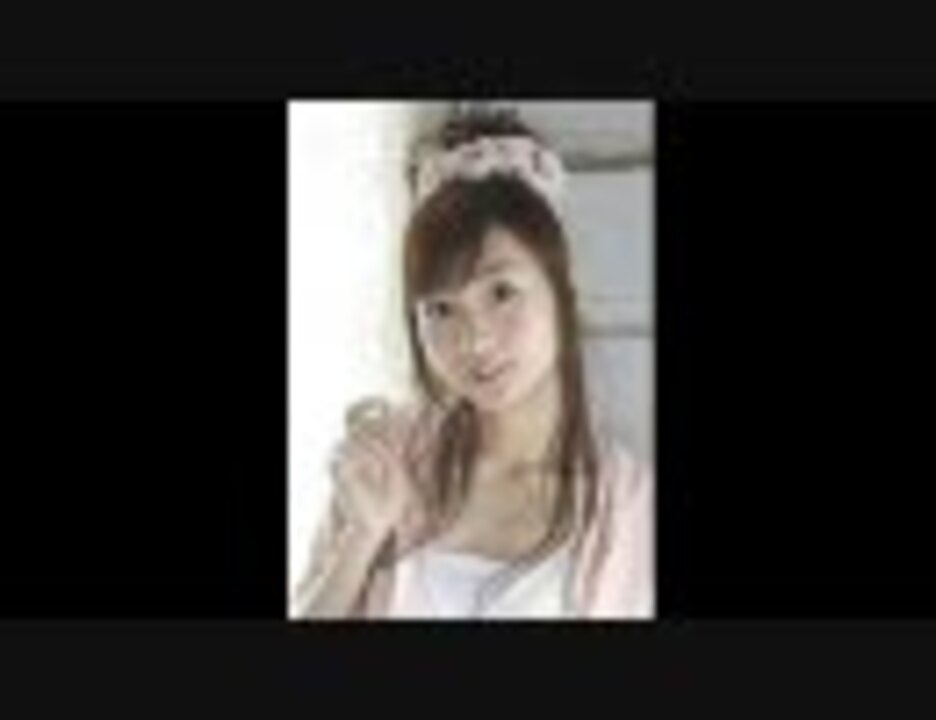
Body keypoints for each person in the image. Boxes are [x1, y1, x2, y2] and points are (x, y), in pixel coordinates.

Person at [291, 108, 654, 619]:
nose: (475, 340)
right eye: (441, 309)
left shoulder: (628, 508)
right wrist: (362, 536)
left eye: (501, 292)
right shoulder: (389, 458)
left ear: (561, 289)